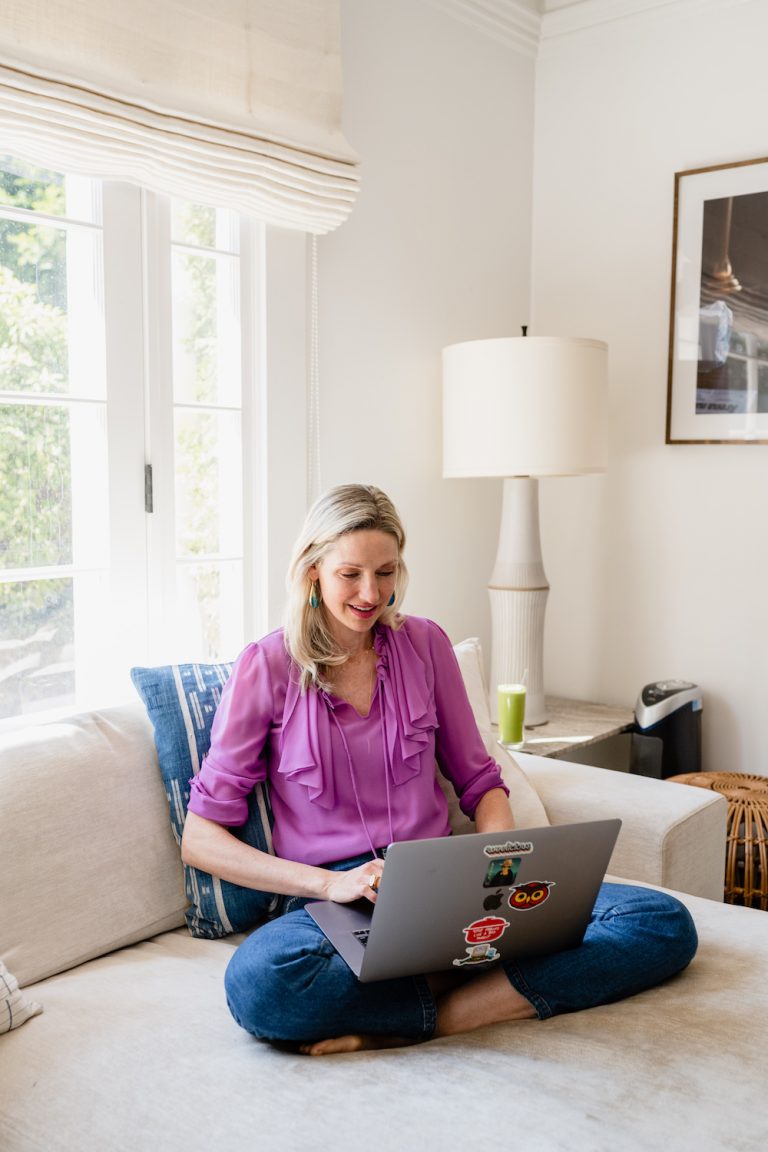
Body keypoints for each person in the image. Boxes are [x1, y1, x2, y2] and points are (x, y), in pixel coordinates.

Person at [181, 483, 697, 1056]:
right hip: (336, 907)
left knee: (658, 920)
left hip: (448, 886)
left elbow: (480, 782)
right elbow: (200, 840)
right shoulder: (267, 665)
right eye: (350, 574)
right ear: (312, 572)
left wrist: (499, 871)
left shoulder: (425, 644)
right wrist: (332, 882)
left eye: (387, 571)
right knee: (263, 984)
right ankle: (479, 984)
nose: (371, 592)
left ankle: (436, 1017)